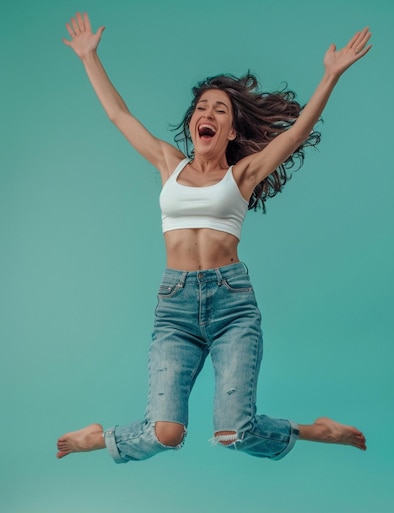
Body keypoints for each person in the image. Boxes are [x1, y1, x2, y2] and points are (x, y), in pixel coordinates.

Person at [57, 12, 371, 462]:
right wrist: (89, 57)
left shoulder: (242, 175)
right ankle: (100, 437)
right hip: (176, 306)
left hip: (231, 306)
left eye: (219, 110)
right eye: (202, 108)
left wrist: (330, 75)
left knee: (234, 434)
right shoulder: (170, 163)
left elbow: (298, 132)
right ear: (192, 126)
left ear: (232, 130)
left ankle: (316, 431)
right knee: (165, 432)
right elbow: (118, 114)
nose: (208, 114)